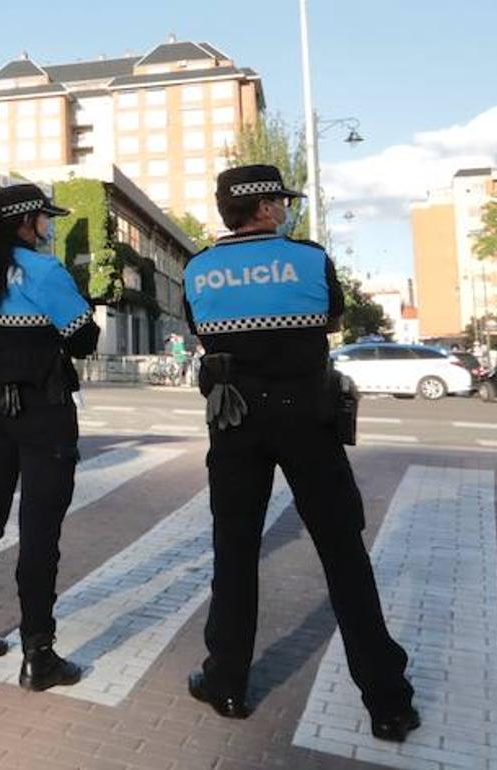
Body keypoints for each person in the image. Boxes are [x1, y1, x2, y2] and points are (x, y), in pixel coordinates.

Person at [182, 164, 417, 741]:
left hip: (233, 421)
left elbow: (201, 332)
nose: (286, 210)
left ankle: (228, 682)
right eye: (280, 203)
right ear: (263, 208)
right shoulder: (308, 259)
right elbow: (333, 319)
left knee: (234, 552)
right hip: (307, 418)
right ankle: (387, 700)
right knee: (343, 553)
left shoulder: (198, 269)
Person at [0, 183, 100, 692]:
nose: (49, 225)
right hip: (44, 411)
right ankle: (39, 654)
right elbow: (84, 337)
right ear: (27, 221)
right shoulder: (44, 270)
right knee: (39, 533)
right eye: (44, 218)